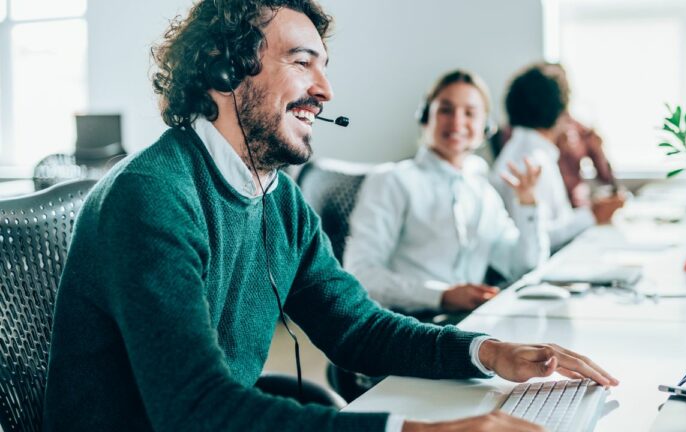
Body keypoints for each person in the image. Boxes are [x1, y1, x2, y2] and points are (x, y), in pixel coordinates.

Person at [43, 2, 618, 431]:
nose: (325, 89)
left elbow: (355, 327)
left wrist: (485, 352)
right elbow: (193, 408)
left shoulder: (279, 199)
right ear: (225, 71)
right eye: (302, 63)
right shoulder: (152, 196)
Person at [344, 70, 548, 315]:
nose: (457, 122)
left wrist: (528, 205)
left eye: (470, 113)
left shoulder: (482, 191)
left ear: (486, 126)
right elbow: (362, 275)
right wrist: (441, 296)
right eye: (446, 110)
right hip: (404, 325)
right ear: (425, 117)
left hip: (466, 325)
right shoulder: (393, 181)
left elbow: (522, 267)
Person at [490, 63, 624, 253]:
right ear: (562, 112)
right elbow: (538, 238)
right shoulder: (532, 161)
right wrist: (592, 215)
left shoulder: (525, 150)